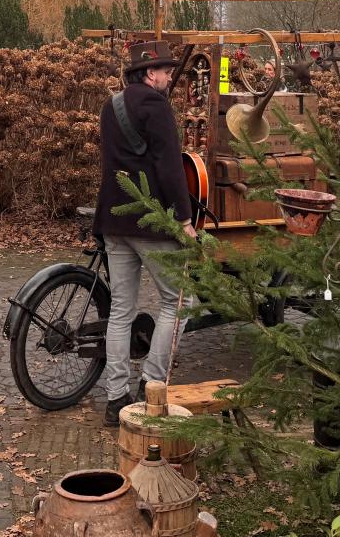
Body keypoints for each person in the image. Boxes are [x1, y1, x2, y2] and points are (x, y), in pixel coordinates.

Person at [94, 39, 197, 426]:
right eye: (166, 71)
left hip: (113, 218)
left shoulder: (112, 104)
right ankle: (151, 384)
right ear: (149, 73)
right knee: (178, 302)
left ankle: (115, 398)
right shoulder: (155, 105)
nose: (170, 77)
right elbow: (170, 166)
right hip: (151, 220)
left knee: (121, 310)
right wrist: (184, 220)